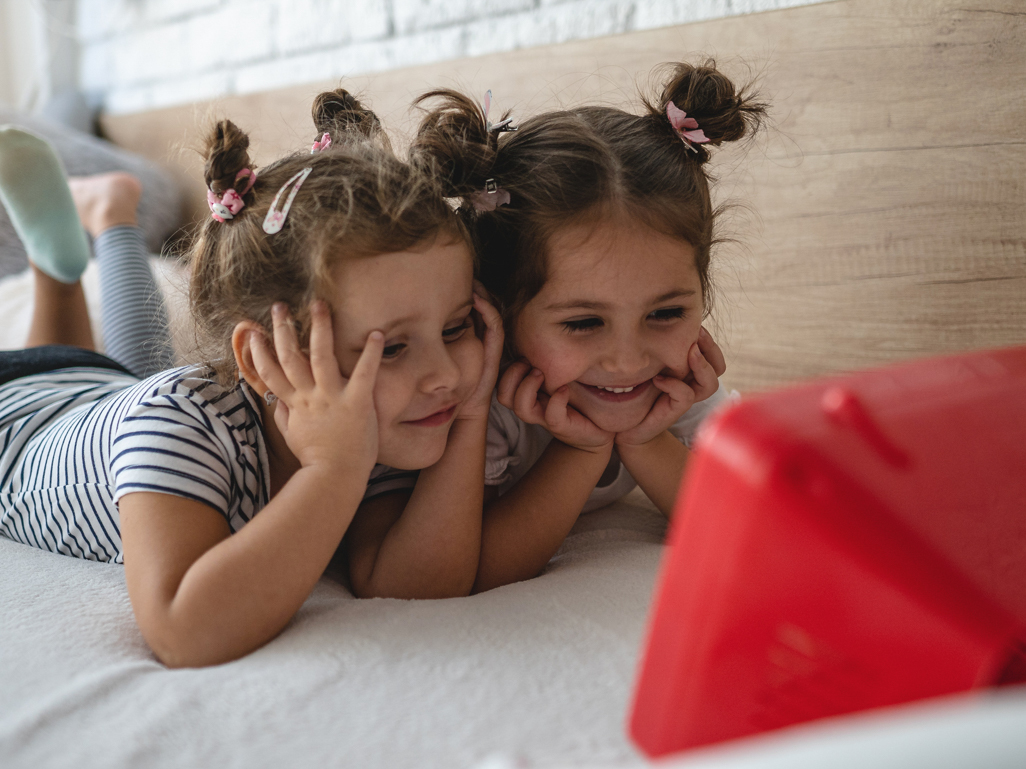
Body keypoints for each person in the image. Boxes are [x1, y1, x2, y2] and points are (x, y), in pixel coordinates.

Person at [0, 87, 503, 667]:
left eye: (457, 327)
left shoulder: (370, 422)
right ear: (263, 356)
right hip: (15, 415)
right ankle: (70, 256)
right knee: (98, 379)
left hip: (94, 391)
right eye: (390, 349)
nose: (442, 375)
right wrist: (332, 472)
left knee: (101, 372)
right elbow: (183, 630)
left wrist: (470, 415)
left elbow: (411, 583)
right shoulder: (179, 427)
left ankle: (59, 265)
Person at [411, 60, 765, 591]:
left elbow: (751, 533)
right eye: (582, 323)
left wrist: (647, 443)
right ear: (502, 310)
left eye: (666, 314)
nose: (627, 361)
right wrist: (584, 449)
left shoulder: (680, 389)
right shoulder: (480, 411)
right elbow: (472, 571)